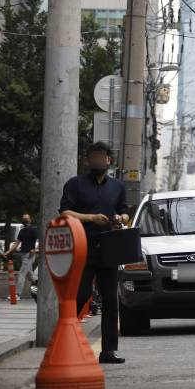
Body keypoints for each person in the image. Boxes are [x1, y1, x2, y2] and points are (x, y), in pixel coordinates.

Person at [59, 141, 129, 364]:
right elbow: (65, 212)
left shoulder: (117, 187)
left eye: (103, 156)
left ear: (108, 160)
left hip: (109, 247)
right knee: (79, 297)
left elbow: (125, 212)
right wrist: (90, 218)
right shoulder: (75, 184)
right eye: (94, 156)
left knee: (111, 301)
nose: (99, 160)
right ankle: (65, 344)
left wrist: (120, 219)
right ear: (88, 161)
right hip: (82, 246)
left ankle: (108, 351)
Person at [1, 214, 38, 300]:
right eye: (23, 218)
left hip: (30, 255)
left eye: (26, 218)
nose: (24, 219)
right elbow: (17, 243)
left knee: (21, 273)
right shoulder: (22, 231)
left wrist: (35, 250)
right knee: (30, 275)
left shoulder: (33, 229)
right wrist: (8, 251)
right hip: (23, 255)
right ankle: (39, 285)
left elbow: (40, 240)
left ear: (30, 220)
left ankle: (17, 295)